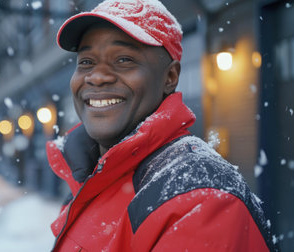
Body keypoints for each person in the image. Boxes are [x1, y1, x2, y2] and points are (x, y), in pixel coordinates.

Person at [46, 0, 275, 251]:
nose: (97, 76)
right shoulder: (89, 180)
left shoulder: (198, 196)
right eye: (86, 62)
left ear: (170, 77)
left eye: (123, 59)